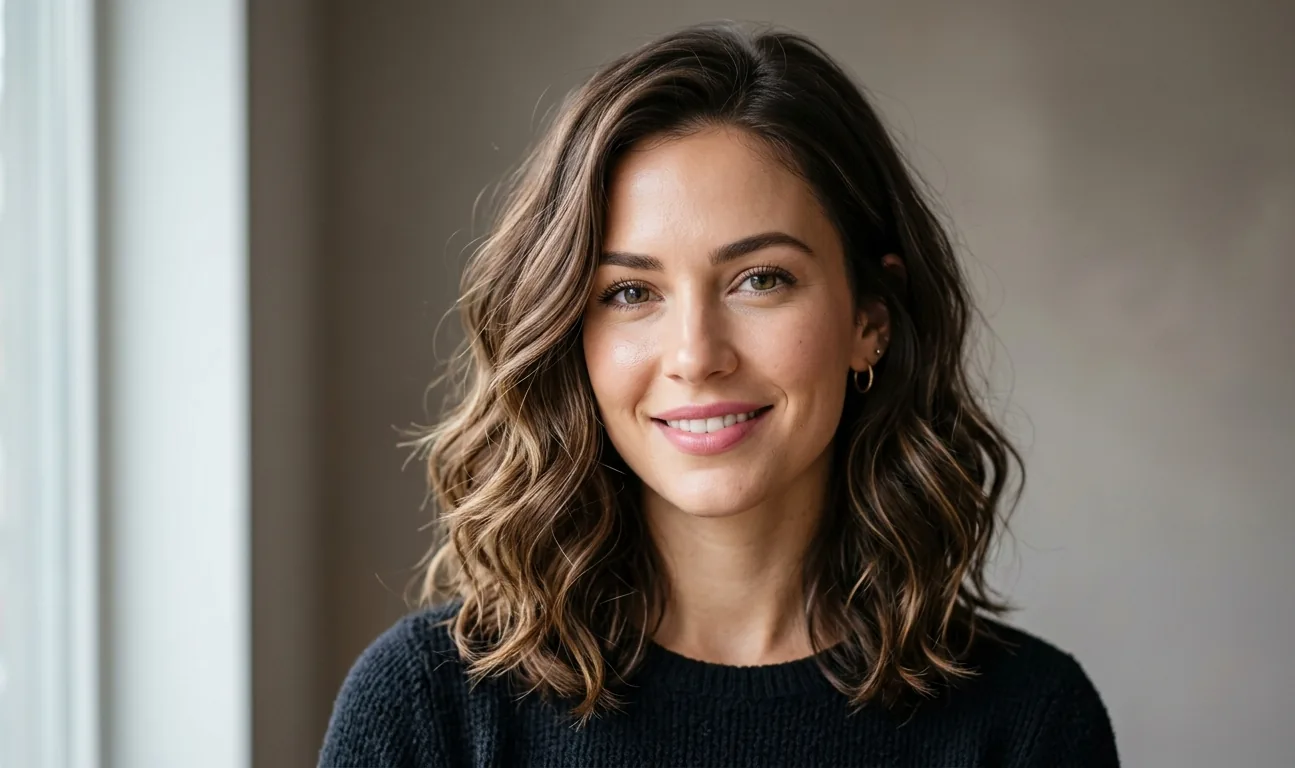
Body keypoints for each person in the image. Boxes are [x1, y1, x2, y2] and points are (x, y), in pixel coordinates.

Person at [320, 20, 1118, 768]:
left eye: (760, 280)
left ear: (869, 319)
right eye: (631, 292)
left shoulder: (1029, 721)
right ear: (571, 333)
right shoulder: (430, 706)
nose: (696, 356)